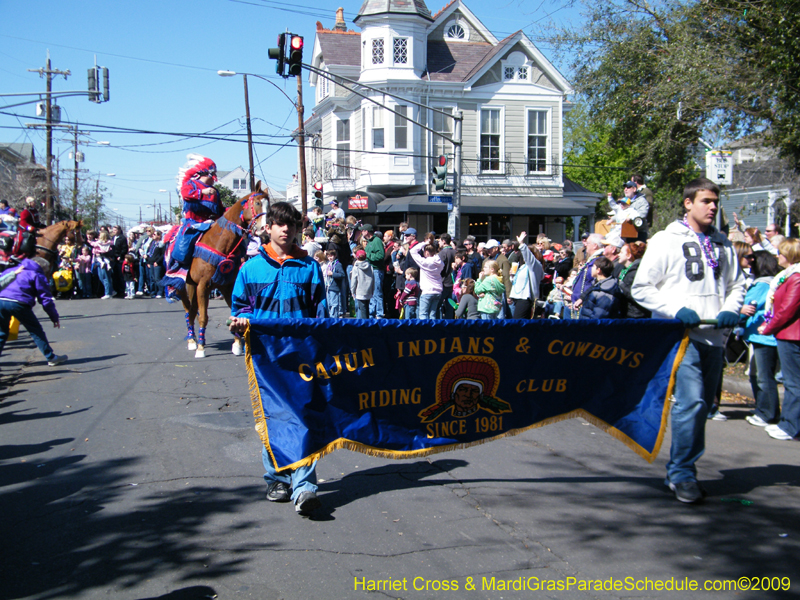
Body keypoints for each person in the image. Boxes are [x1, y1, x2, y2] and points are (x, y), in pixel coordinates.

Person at [632, 177, 746, 504]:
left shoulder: (723, 243)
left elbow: (737, 284)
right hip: (681, 338)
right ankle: (681, 473)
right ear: (688, 203)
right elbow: (642, 287)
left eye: (715, 201)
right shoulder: (667, 241)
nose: (712, 207)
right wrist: (674, 309)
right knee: (692, 402)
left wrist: (729, 309)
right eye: (706, 201)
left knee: (702, 407)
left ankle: (686, 466)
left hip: (714, 337)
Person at [228, 201, 327, 516]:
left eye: (292, 224)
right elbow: (240, 306)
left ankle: (304, 487)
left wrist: (324, 347)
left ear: (298, 229)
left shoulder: (309, 267)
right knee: (273, 419)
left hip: (302, 356)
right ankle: (277, 478)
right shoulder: (250, 268)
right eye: (280, 224)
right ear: (267, 228)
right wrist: (240, 322)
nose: (286, 229)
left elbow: (322, 312)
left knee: (304, 417)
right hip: (265, 357)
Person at [758, 238, 800, 441]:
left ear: (790, 255)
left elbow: (786, 311)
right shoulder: (788, 276)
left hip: (792, 335)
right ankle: (789, 422)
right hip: (787, 334)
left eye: (781, 253)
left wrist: (768, 327)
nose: (777, 256)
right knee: (792, 383)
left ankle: (791, 426)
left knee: (794, 383)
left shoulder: (797, 277)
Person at [0, 247, 67, 366]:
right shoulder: (37, 275)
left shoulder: (14, 269)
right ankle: (50, 357)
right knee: (35, 330)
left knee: (2, 332)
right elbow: (45, 299)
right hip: (19, 302)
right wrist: (54, 317)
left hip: (1, 300)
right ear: (43, 268)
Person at [740, 251, 781, 427]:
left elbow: (748, 302)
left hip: (763, 337)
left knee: (764, 377)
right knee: (758, 374)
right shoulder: (773, 281)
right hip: (764, 336)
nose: (749, 264)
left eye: (752, 261)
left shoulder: (762, 285)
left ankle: (768, 413)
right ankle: (762, 408)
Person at [510, 232, 544, 319]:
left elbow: (529, 258)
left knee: (518, 324)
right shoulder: (523, 267)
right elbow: (519, 282)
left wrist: (521, 244)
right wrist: (512, 276)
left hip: (526, 300)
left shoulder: (534, 265)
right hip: (517, 298)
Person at [409, 239, 443, 319]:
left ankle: (424, 331)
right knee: (432, 314)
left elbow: (413, 251)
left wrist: (424, 243)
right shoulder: (440, 263)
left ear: (427, 252)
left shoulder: (425, 262)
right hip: (438, 290)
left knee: (423, 314)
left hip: (427, 291)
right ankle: (433, 331)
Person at [617, 241, 650, 318]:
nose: (618, 255)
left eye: (621, 252)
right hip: (627, 312)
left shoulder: (636, 272)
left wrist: (621, 285)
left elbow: (636, 293)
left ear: (629, 255)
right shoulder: (624, 271)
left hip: (636, 315)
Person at [360, 224, 385, 319]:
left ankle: (379, 314)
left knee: (377, 293)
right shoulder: (369, 242)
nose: (361, 232)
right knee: (371, 293)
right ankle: (371, 313)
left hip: (377, 270)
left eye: (362, 230)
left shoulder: (377, 241)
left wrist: (368, 256)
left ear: (367, 231)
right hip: (370, 270)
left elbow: (380, 255)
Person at [350, 248, 374, 319]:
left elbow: (354, 280)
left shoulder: (356, 267)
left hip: (359, 291)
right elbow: (373, 279)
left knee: (362, 309)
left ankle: (365, 325)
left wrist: (352, 291)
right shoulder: (370, 266)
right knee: (366, 308)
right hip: (368, 290)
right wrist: (372, 290)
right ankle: (367, 323)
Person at [322, 248, 345, 319]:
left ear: (335, 256)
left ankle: (333, 319)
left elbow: (342, 275)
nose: (330, 258)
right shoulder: (328, 264)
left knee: (334, 305)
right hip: (328, 286)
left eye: (331, 256)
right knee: (329, 304)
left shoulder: (338, 264)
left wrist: (332, 274)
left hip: (335, 287)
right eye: (328, 256)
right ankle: (330, 317)